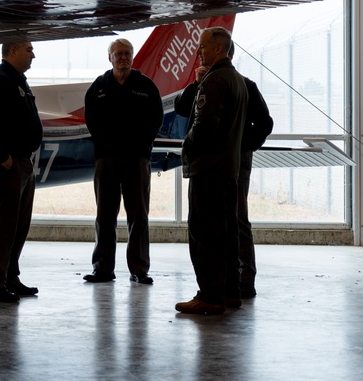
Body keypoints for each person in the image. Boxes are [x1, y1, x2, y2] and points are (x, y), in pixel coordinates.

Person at [176, 43, 272, 299]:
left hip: (235, 160)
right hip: (217, 161)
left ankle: (244, 280)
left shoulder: (244, 85)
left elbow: (264, 123)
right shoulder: (205, 84)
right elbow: (181, 108)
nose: (199, 54)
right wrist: (197, 84)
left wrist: (240, 143)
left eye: (204, 49)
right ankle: (227, 284)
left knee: (236, 218)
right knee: (220, 220)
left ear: (224, 54)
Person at [175, 27, 247, 315]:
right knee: (227, 232)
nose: (199, 51)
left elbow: (204, 126)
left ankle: (209, 295)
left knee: (205, 234)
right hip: (228, 169)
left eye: (203, 46)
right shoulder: (237, 80)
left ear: (218, 49)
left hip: (209, 169)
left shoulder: (215, 81)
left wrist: (187, 147)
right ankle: (230, 291)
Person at [82, 38, 163, 285]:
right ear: (110, 57)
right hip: (106, 160)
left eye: (127, 54)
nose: (122, 58)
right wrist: (104, 146)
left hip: (137, 159)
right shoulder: (99, 86)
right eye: (118, 54)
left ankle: (139, 268)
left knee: (138, 214)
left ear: (132, 56)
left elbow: (156, 119)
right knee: (104, 213)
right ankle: (102, 268)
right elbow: (90, 119)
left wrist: (143, 147)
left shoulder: (145, 86)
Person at [0, 41, 43, 303]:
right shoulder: (1, 80)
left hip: (22, 162)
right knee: (5, 223)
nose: (33, 54)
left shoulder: (17, 80)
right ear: (13, 50)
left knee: (19, 224)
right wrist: (3, 157)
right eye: (28, 49)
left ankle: (10, 276)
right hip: (9, 163)